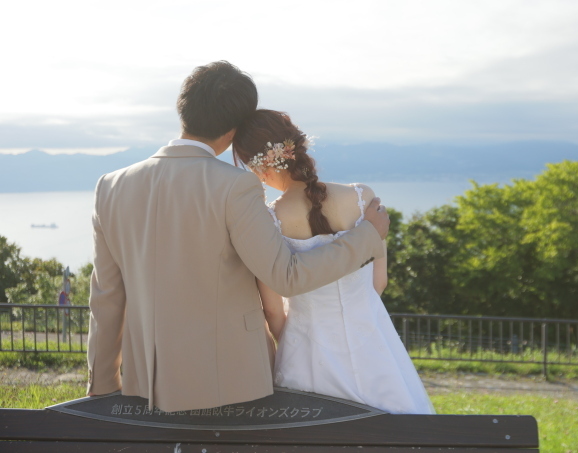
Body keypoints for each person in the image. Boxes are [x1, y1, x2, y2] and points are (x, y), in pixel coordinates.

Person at [86, 61, 390, 413]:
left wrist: (103, 385)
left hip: (147, 383)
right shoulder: (235, 186)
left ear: (183, 109)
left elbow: (106, 297)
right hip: (232, 382)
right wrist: (367, 236)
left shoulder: (110, 187)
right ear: (234, 129)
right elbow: (286, 276)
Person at [232, 109, 434, 415]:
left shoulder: (268, 219)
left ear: (262, 166)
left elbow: (273, 310)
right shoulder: (362, 198)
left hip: (307, 349)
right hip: (372, 339)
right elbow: (379, 282)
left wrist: (295, 339)